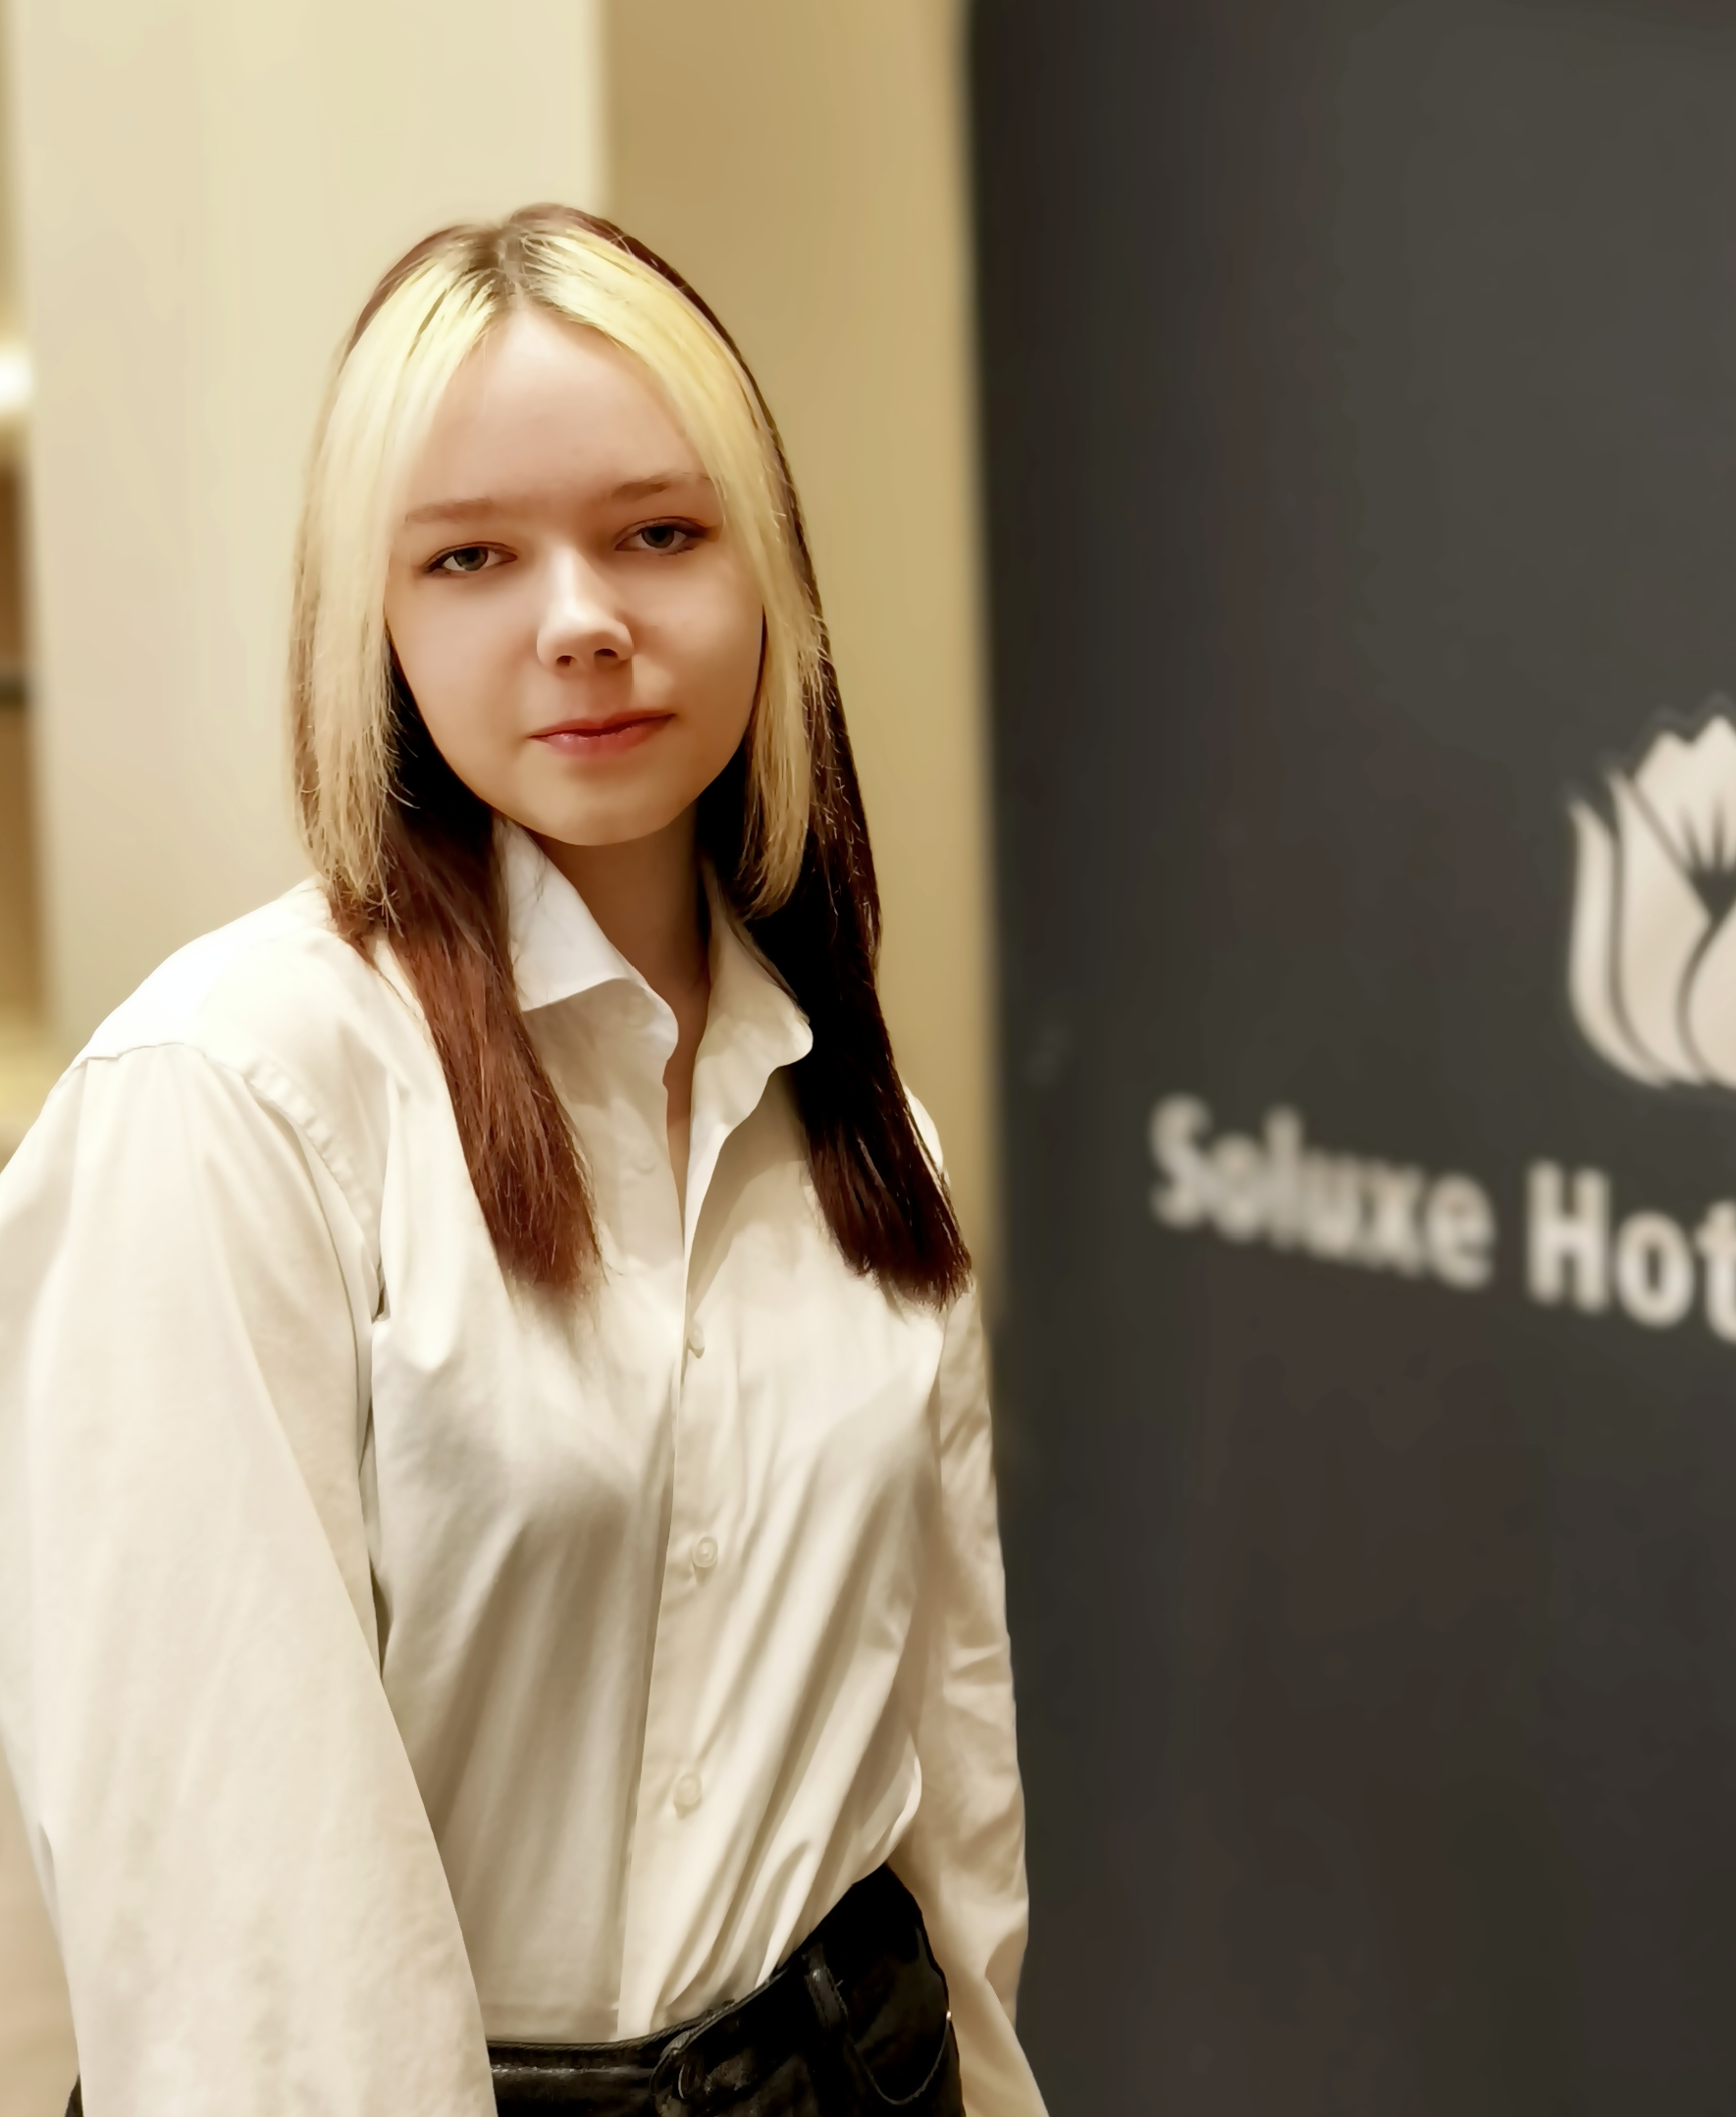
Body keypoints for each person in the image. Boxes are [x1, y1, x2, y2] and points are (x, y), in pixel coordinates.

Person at [0, 207, 1043, 2116]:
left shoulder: (853, 1110)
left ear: (765, 572)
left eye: (658, 532)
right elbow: (244, 1936)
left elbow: (943, 1748)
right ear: (376, 621)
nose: (579, 618)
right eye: (470, 556)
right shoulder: (229, 1097)